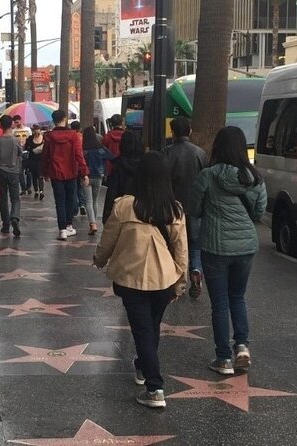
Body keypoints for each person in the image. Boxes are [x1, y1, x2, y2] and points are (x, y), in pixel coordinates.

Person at [93, 151, 188, 409]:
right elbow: (181, 250)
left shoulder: (124, 206)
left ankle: (155, 387)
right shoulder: (175, 209)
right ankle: (142, 366)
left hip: (131, 279)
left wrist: (99, 259)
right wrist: (180, 282)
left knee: (143, 330)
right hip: (165, 279)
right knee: (151, 327)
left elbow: (108, 240)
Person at [187, 126, 267, 376]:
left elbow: (193, 208)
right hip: (246, 246)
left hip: (215, 247)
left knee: (220, 304)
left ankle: (223, 358)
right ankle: (242, 346)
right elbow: (259, 212)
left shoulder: (208, 176)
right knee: (238, 297)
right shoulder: (254, 177)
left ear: (218, 147)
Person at [164, 117, 208, 298]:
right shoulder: (200, 153)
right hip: (195, 207)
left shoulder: (167, 152)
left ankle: (176, 280)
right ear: (189, 131)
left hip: (173, 207)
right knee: (195, 244)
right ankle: (196, 270)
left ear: (173, 132)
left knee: (174, 244)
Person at [41, 109, 90, 241]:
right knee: (70, 199)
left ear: (53, 120)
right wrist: (84, 172)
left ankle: (62, 229)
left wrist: (44, 172)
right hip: (71, 172)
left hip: (55, 173)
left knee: (59, 201)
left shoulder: (49, 136)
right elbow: (79, 155)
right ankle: (69, 225)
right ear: (65, 119)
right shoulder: (73, 135)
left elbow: (45, 156)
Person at [102, 130, 144, 224]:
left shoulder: (118, 165)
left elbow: (112, 191)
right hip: (143, 210)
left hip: (122, 210)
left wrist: (107, 216)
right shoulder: (146, 164)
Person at [0, 115, 23, 236]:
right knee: (15, 198)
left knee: (3, 198)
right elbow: (20, 154)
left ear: (1, 125)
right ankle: (14, 217)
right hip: (14, 171)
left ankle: (5, 224)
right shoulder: (16, 140)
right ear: (11, 125)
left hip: (1, 170)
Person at [82, 126, 115, 234]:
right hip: (98, 176)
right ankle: (94, 222)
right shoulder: (101, 149)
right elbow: (112, 157)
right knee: (95, 201)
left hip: (86, 177)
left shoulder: (84, 150)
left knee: (88, 201)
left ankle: (92, 224)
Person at [13, 114, 33, 195]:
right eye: (15, 122)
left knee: (28, 172)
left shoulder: (28, 129)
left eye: (17, 122)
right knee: (20, 172)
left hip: (27, 152)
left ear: (20, 120)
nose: (16, 124)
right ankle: (23, 188)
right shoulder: (14, 131)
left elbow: (31, 139)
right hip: (18, 153)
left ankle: (29, 187)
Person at [24, 124, 46, 200]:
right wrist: (32, 150)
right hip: (32, 160)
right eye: (35, 130)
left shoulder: (44, 138)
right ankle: (36, 191)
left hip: (41, 160)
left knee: (40, 175)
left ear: (40, 130)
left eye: (38, 130)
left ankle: (41, 191)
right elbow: (26, 148)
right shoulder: (30, 139)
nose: (36, 132)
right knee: (34, 176)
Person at [70, 120, 87, 216]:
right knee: (81, 187)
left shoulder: (70, 137)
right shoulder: (83, 137)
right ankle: (82, 204)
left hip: (73, 165)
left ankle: (75, 207)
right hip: (81, 164)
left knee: (74, 188)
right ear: (80, 128)